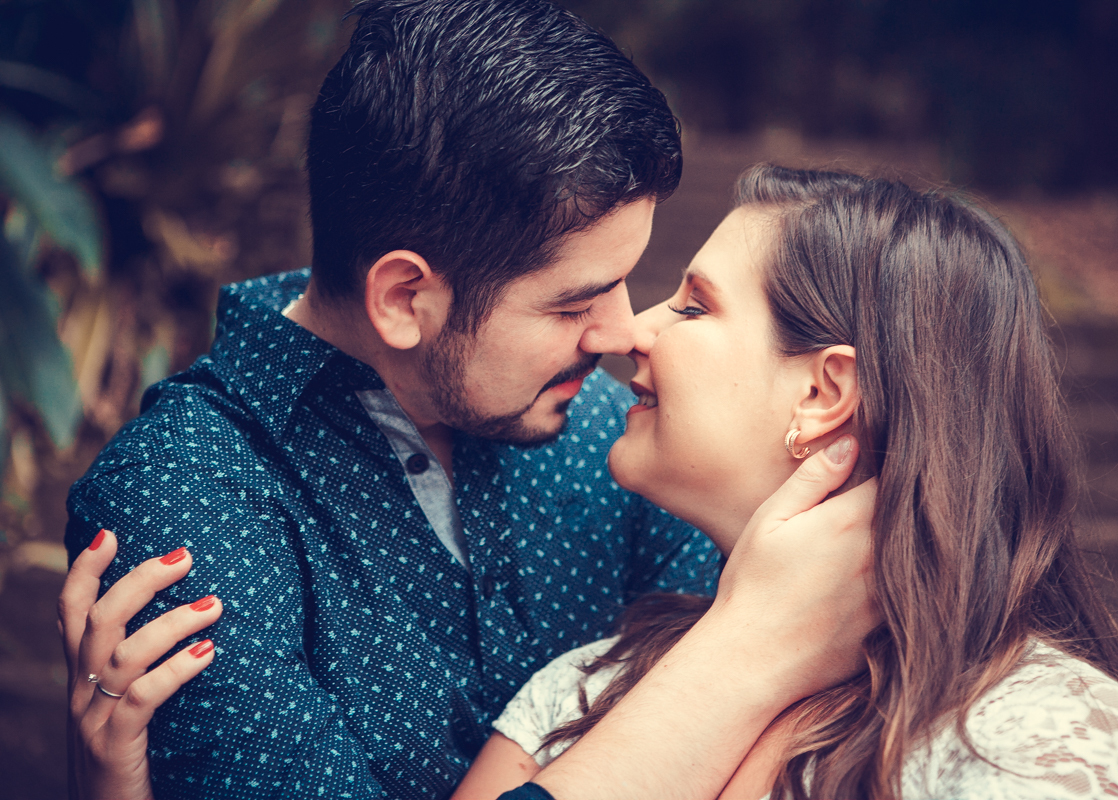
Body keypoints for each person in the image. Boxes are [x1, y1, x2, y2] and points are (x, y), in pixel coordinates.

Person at [59, 2, 877, 799]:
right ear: (406, 298)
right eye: (570, 304)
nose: (622, 335)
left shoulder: (626, 439)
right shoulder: (182, 498)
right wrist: (751, 648)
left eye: (626, 280)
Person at [450, 166, 1118, 799]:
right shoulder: (581, 689)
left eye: (694, 306)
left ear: (826, 392)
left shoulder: (1044, 735)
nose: (632, 329)